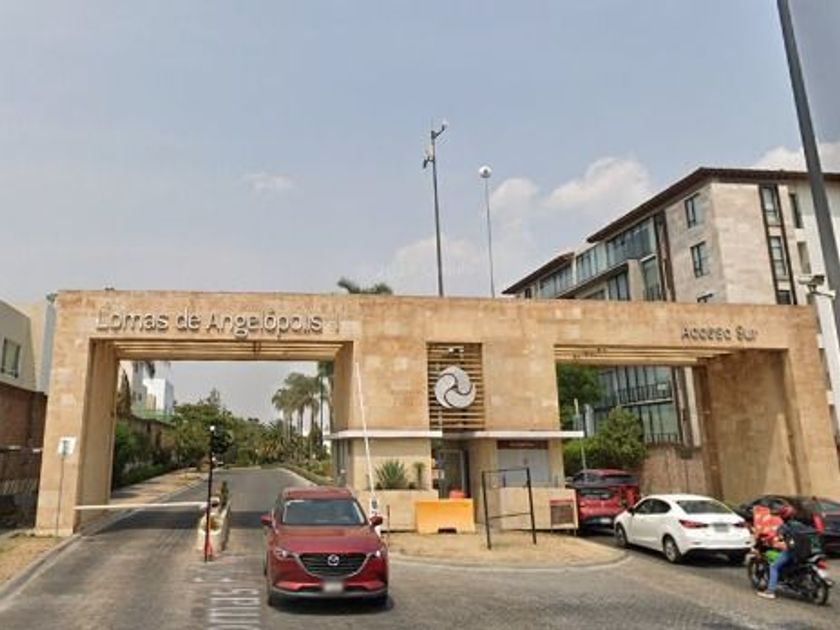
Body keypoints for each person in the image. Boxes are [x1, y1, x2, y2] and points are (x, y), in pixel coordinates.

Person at [757, 504, 804, 600]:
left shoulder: (784, 526)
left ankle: (770, 591)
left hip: (792, 551)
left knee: (773, 567)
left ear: (783, 516)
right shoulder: (799, 524)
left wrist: (765, 539)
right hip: (804, 550)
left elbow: (774, 535)